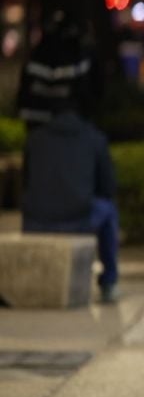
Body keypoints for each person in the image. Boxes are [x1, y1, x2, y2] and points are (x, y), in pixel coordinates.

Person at [20, 94, 119, 304]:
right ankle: (109, 281)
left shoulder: (34, 139)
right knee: (109, 209)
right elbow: (108, 187)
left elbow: (26, 183)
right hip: (78, 219)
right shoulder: (94, 138)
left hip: (36, 221)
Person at [16, 11, 102, 129]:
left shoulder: (36, 56)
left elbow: (24, 92)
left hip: (39, 123)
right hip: (67, 123)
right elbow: (93, 90)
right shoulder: (79, 58)